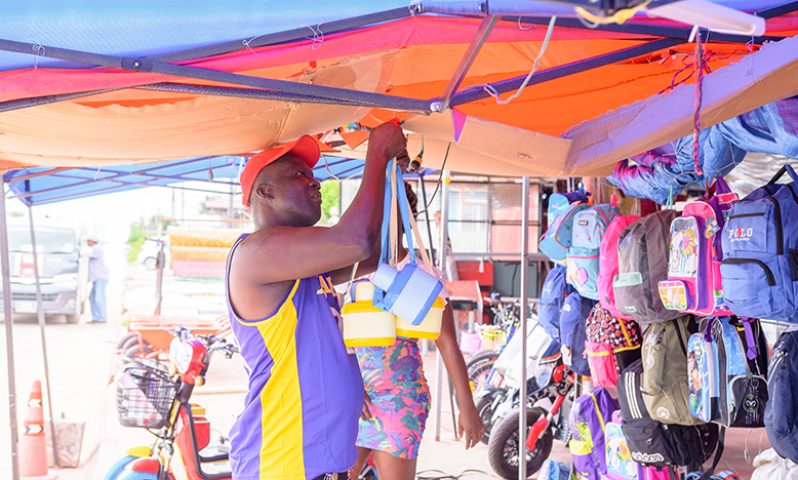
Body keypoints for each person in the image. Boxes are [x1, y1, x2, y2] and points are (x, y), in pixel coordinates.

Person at [226, 123, 408, 480]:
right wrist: (375, 153)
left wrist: (391, 172)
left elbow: (387, 250)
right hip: (281, 464)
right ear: (265, 192)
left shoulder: (304, 267)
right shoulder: (255, 254)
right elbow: (356, 242)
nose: (316, 182)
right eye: (299, 175)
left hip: (320, 464)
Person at [349, 183, 485, 480]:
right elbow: (338, 341)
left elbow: (447, 342)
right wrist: (349, 388)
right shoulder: (349, 269)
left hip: (400, 401)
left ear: (402, 217)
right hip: (354, 400)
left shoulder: (418, 273)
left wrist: (467, 407)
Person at [86, 236, 109, 324]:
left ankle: (102, 318)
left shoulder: (97, 249)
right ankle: (96, 317)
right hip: (96, 278)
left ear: (91, 241)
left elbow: (85, 254)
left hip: (100, 278)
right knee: (92, 297)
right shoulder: (95, 248)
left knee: (99, 298)